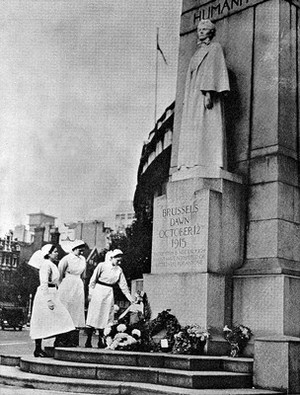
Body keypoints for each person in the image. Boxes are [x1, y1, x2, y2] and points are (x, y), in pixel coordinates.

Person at [177, 19, 230, 173]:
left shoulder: (215, 48)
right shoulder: (196, 53)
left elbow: (214, 70)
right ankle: (192, 161)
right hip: (193, 95)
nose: (201, 31)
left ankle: (207, 161)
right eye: (199, 29)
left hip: (206, 94)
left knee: (206, 125)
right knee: (193, 128)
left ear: (211, 32)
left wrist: (209, 92)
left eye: (205, 29)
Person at [28, 244, 75, 357]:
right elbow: (44, 283)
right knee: (41, 320)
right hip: (45, 294)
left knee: (64, 318)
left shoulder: (52, 264)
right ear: (48, 253)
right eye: (54, 251)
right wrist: (48, 300)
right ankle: (38, 349)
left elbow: (56, 282)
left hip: (53, 292)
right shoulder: (45, 265)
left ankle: (57, 342)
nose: (57, 253)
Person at [85, 249, 134, 348]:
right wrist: (91, 293)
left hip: (109, 294)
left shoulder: (119, 270)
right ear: (111, 258)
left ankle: (101, 340)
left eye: (120, 261)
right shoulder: (101, 266)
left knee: (106, 317)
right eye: (117, 260)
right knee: (94, 315)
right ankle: (88, 340)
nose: (119, 262)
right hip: (98, 291)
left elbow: (123, 286)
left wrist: (130, 298)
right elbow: (92, 280)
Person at [55, 240, 86, 347]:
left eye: (82, 250)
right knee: (65, 310)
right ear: (74, 249)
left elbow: (83, 275)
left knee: (76, 311)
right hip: (67, 285)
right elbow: (59, 275)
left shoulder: (83, 259)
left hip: (78, 285)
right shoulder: (66, 259)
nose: (81, 252)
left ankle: (72, 340)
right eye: (79, 250)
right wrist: (61, 288)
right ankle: (61, 339)